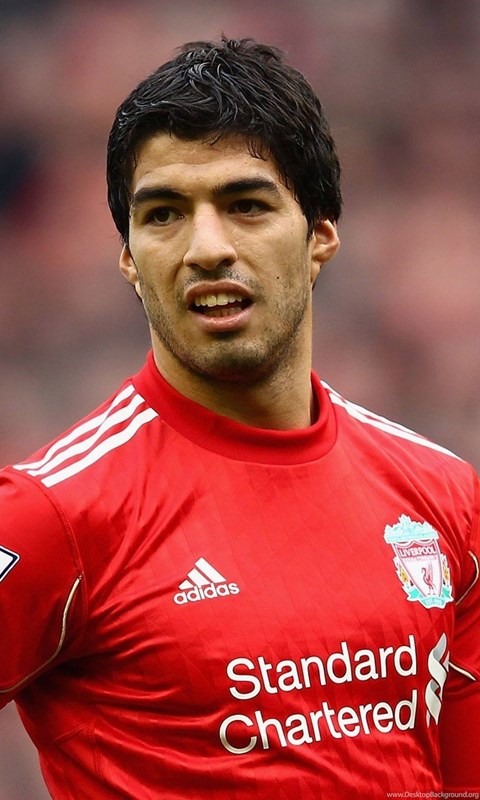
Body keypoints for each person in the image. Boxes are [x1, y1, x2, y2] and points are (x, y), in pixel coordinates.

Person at [0, 37, 479, 799]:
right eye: (164, 214)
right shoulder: (50, 512)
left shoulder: (446, 497)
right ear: (129, 258)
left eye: (245, 205)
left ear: (320, 234)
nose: (206, 248)